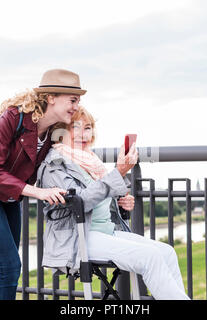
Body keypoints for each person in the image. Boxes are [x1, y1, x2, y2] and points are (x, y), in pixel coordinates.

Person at [37, 106, 190, 300]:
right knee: (150, 256)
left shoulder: (90, 161)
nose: (83, 134)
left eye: (88, 128)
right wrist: (119, 172)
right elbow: (81, 202)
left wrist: (119, 202)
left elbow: (98, 199)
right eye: (75, 127)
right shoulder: (54, 165)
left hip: (104, 231)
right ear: (60, 132)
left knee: (167, 252)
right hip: (78, 238)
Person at [0, 69, 86, 300]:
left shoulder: (53, 132)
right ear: (51, 98)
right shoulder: (13, 117)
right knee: (9, 266)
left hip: (10, 193)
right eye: (73, 100)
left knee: (3, 267)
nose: (76, 106)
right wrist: (39, 192)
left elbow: (70, 160)